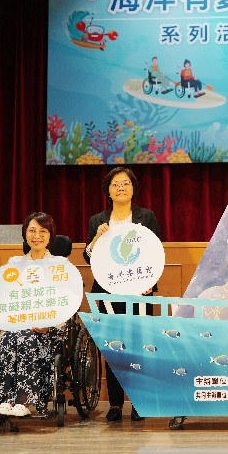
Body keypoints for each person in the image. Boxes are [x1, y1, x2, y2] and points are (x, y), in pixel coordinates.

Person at [84, 166, 162, 423]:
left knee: (139, 347)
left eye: (125, 183)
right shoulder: (97, 220)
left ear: (133, 189)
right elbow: (88, 256)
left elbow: (155, 252)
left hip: (140, 291)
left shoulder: (145, 217)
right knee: (113, 347)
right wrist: (96, 238)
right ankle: (116, 404)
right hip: (108, 292)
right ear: (108, 191)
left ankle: (139, 403)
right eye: (115, 184)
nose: (120, 187)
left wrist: (150, 282)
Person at [0, 212, 63, 420]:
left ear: (50, 235)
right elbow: (1, 295)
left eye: (43, 231)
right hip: (16, 327)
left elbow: (65, 302)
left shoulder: (59, 265)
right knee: (11, 336)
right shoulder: (13, 264)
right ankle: (5, 401)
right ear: (25, 234)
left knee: (24, 336)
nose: (37, 236)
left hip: (45, 332)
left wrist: (49, 326)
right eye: (32, 230)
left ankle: (23, 401)